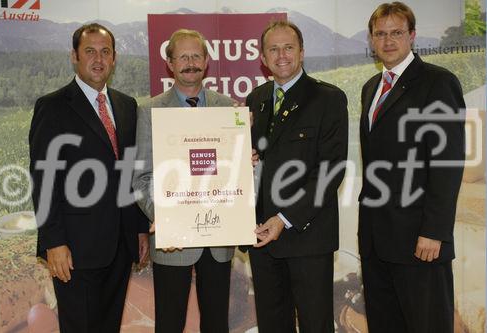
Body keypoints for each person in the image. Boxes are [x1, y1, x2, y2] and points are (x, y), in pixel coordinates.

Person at [29, 23, 150, 333]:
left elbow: (131, 172)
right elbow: (43, 179)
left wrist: (138, 230)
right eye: (90, 52)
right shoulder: (53, 107)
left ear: (114, 58)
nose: (98, 59)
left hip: (120, 246)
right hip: (75, 250)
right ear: (74, 56)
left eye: (105, 52)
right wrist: (54, 241)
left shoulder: (126, 105)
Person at [358, 2, 465, 332]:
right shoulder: (371, 89)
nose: (388, 41)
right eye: (380, 34)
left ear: (412, 36)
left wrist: (434, 230)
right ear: (372, 39)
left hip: (420, 240)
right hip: (377, 240)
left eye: (396, 33)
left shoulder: (438, 82)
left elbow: (447, 162)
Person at [246, 20, 348, 332]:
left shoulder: (327, 99)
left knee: (315, 325)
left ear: (302, 53)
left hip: (308, 238)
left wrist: (285, 218)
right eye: (273, 49)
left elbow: (330, 171)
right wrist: (243, 164)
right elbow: (256, 163)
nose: (281, 55)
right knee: (272, 325)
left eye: (288, 47)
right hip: (262, 238)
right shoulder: (255, 100)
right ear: (263, 58)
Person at [132, 29, 236, 333]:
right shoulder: (149, 111)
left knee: (217, 323)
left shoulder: (228, 108)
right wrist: (165, 218)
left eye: (196, 56)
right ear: (170, 63)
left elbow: (233, 169)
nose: (190, 62)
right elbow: (142, 177)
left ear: (206, 61)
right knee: (170, 322)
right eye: (183, 57)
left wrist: (246, 161)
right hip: (172, 240)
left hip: (219, 237)